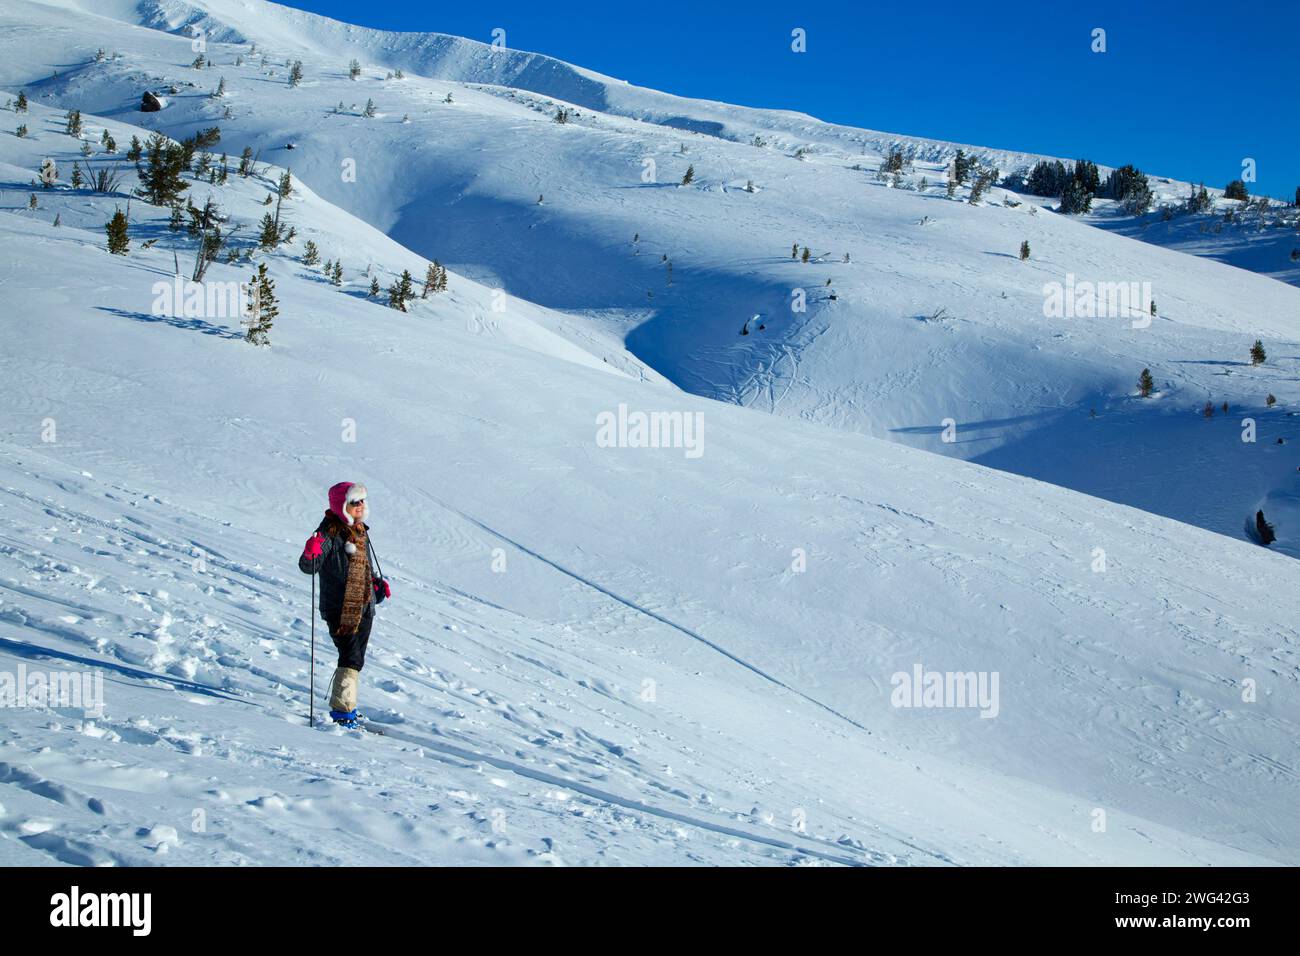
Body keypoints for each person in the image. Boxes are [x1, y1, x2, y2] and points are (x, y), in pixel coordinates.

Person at [299, 482, 391, 727]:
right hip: (339, 608)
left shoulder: (360, 530)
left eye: (362, 500)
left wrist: (375, 585)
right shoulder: (328, 533)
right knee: (350, 656)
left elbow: (362, 566)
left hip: (363, 605)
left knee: (356, 658)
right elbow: (309, 567)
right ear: (341, 505)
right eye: (354, 501)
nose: (359, 505)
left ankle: (347, 706)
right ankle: (342, 712)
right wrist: (310, 553)